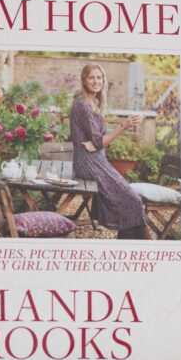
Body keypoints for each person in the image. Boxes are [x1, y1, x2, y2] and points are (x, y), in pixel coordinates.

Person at [69, 62, 149, 239]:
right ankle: (142, 244)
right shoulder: (82, 105)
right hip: (87, 163)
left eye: (99, 77)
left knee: (132, 200)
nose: (96, 81)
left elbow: (99, 141)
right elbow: (99, 141)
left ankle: (133, 243)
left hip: (96, 159)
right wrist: (123, 126)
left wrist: (97, 143)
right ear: (84, 80)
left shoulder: (93, 103)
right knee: (133, 200)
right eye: (91, 78)